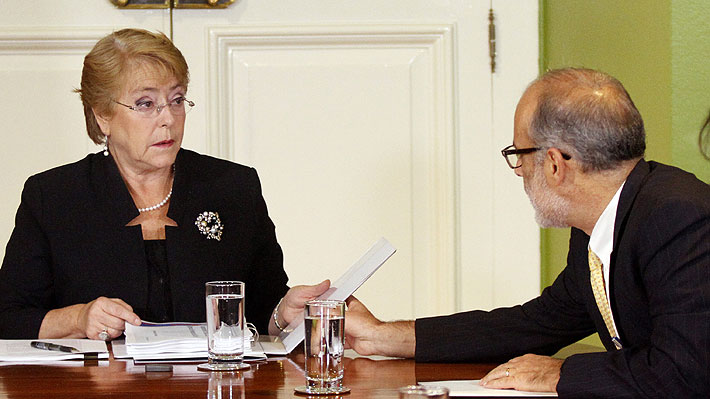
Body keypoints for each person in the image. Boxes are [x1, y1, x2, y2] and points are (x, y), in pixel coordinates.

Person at [345, 68, 710, 398]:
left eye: (519, 154)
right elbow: (535, 325)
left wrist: (560, 373)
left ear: (553, 163)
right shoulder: (601, 223)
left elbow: (684, 373)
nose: (519, 170)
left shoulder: (677, 217)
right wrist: (381, 335)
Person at [0, 28, 329, 341]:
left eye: (176, 99)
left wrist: (283, 312)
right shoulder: (54, 197)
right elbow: (9, 317)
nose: (168, 118)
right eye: (145, 103)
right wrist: (79, 318)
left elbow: (261, 310)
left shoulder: (233, 187)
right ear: (102, 115)